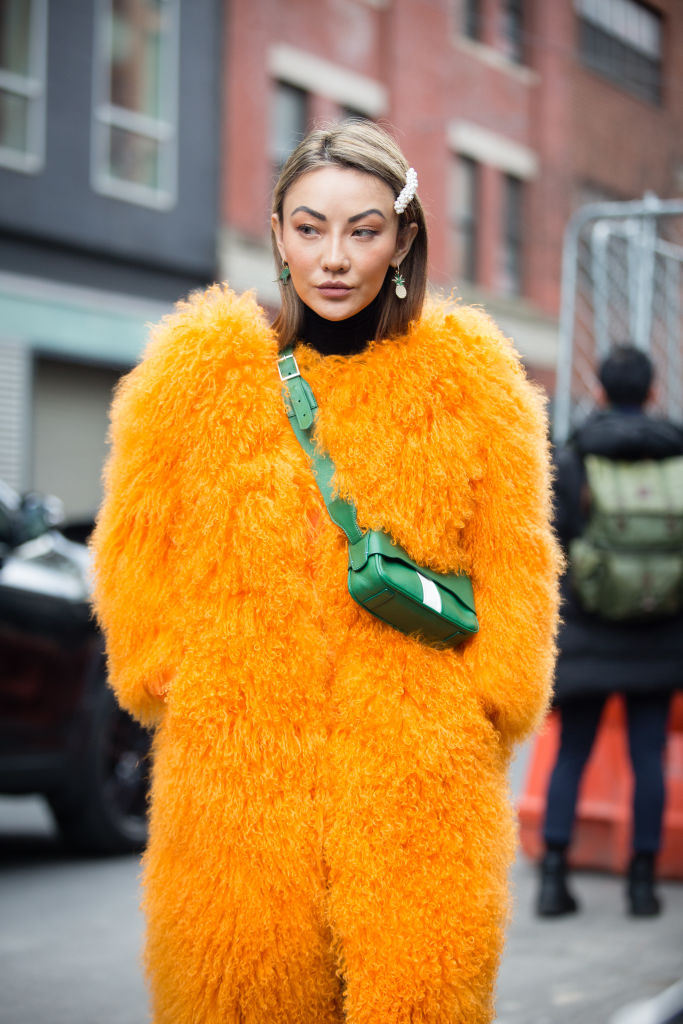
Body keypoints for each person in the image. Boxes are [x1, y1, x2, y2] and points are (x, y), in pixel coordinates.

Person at [92, 120, 561, 1024]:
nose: (334, 257)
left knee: (417, 995)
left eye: (364, 228)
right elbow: (134, 544)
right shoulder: (199, 374)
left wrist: (491, 702)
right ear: (276, 233)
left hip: (418, 768)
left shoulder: (470, 378)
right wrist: (170, 672)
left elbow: (516, 555)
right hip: (237, 767)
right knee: (238, 988)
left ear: (404, 238)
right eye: (309, 228)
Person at [537, 344, 683, 919]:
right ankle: (642, 888)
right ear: (652, 393)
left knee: (571, 753)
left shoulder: (574, 459)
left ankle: (552, 882)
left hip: (590, 636)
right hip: (661, 633)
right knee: (649, 757)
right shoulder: (677, 457)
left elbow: (552, 544)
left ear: (598, 391)